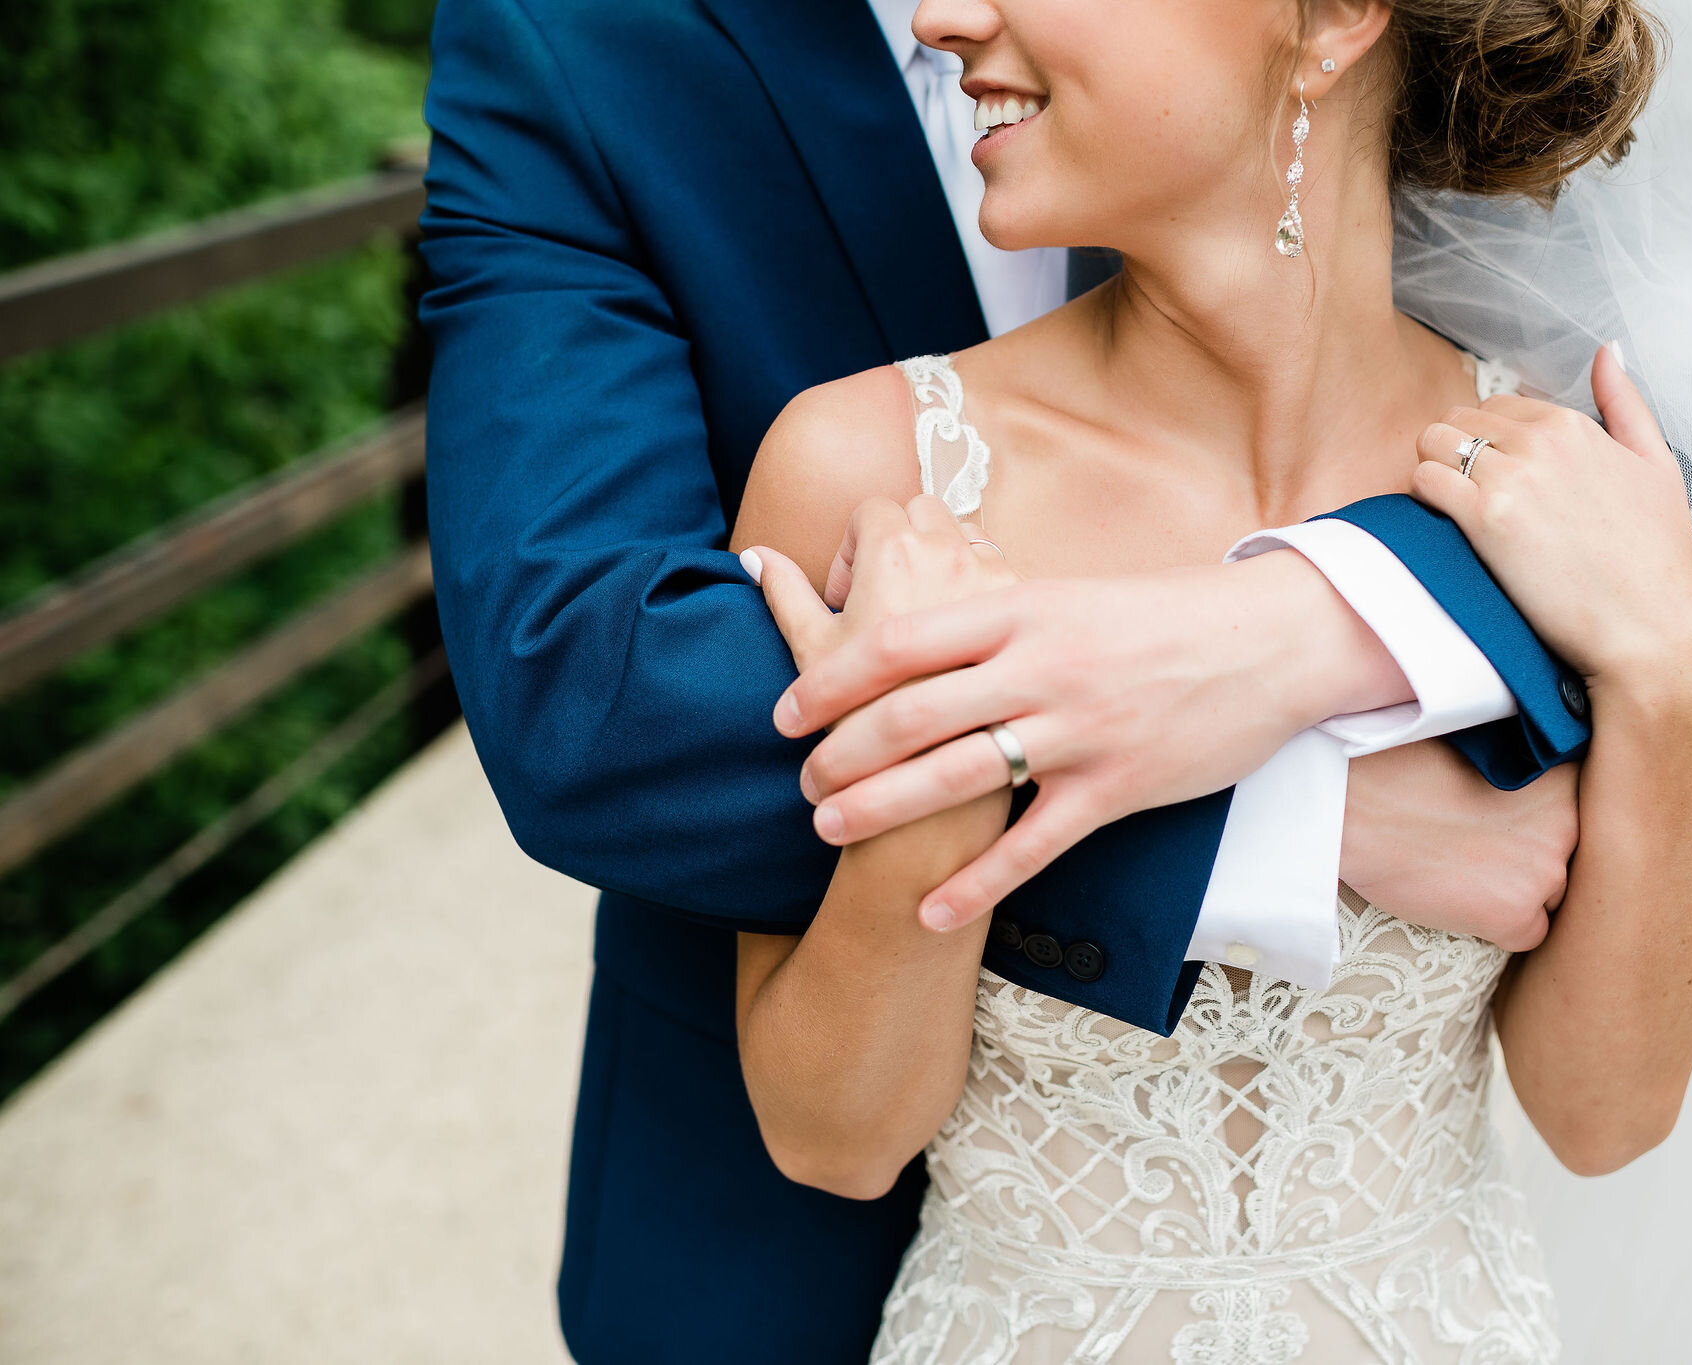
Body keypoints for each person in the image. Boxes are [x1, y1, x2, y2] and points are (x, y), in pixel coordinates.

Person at [737, 1, 1692, 1361]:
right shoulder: (868, 475)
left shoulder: (1557, 500)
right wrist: (952, 763)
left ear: (1330, 23)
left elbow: (1603, 1111)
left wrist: (1673, 667)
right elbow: (831, 1135)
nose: (950, 18)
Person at [417, 0, 1590, 1362]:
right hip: (813, 1239)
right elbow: (583, 689)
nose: (950, 20)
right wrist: (1300, 800)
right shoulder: (572, 44)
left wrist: (1322, 624)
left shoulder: (1513, 425)